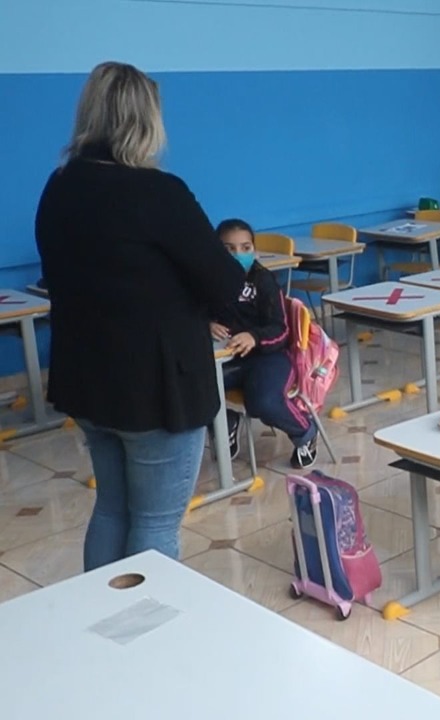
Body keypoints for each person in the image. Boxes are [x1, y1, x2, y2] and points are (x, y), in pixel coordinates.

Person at [34, 62, 245, 571]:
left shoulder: (60, 185)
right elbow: (225, 282)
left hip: (87, 379)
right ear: (146, 121)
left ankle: (104, 626)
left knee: (111, 508)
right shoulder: (158, 193)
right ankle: (143, 636)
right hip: (157, 388)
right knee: (154, 522)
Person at [212, 219, 319, 469]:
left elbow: (280, 330)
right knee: (185, 390)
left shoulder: (263, 281)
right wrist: (207, 323)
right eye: (228, 249)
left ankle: (305, 432)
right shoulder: (209, 283)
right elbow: (192, 313)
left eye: (245, 247)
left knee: (263, 402)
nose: (238, 254)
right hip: (226, 360)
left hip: (269, 357)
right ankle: (227, 422)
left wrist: (254, 337)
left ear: (254, 249)